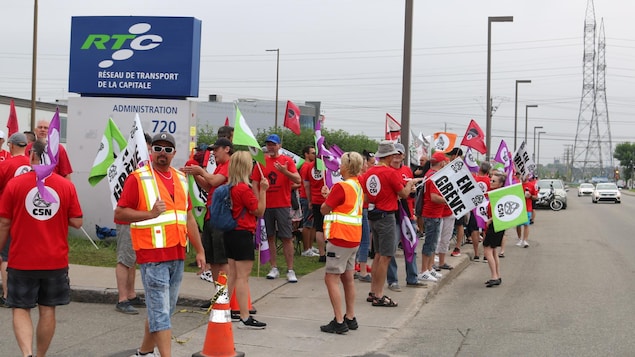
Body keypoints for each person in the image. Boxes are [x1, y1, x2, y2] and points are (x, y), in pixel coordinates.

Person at [114, 132, 205, 357]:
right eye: (157, 148)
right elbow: (120, 213)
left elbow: (189, 217)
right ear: (151, 151)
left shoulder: (181, 178)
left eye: (167, 149)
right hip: (151, 255)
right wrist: (150, 213)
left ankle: (144, 352)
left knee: (164, 310)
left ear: (174, 153)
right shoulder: (138, 178)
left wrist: (200, 250)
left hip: (177, 253)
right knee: (161, 312)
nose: (162, 153)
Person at [0, 139, 83, 357]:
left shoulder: (15, 185)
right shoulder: (66, 186)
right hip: (54, 259)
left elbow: (4, 223)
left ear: (32, 156)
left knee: (20, 308)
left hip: (21, 258)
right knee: (48, 309)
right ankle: (40, 356)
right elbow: (77, 222)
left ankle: (26, 354)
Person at [361, 141, 420, 307]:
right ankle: (379, 294)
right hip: (386, 216)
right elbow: (403, 193)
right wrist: (409, 184)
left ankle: (373, 291)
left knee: (378, 255)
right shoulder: (390, 173)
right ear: (389, 155)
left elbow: (366, 196)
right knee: (385, 256)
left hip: (373, 214)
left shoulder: (369, 172)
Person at [319, 152, 364, 334]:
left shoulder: (341, 186)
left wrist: (327, 197)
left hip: (340, 238)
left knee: (331, 278)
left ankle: (339, 321)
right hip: (354, 237)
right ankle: (350, 317)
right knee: (348, 278)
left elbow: (324, 209)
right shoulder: (357, 186)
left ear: (345, 166)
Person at [224, 151, 269, 329]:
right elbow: (259, 210)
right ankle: (244, 315)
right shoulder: (244, 189)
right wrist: (263, 191)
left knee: (232, 275)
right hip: (243, 233)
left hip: (230, 232)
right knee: (243, 277)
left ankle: (224, 308)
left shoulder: (229, 187)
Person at [250, 134, 302, 282]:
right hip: (266, 205)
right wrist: (257, 199)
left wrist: (285, 171)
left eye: (273, 144)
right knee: (270, 237)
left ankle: (290, 269)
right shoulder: (260, 163)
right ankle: (274, 267)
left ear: (279, 145)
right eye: (268, 144)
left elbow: (297, 179)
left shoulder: (287, 161)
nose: (270, 147)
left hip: (283, 204)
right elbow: (254, 182)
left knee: (286, 237)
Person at [182, 137, 233, 285]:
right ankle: (219, 296)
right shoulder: (220, 166)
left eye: (216, 150)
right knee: (213, 260)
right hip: (211, 214)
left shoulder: (230, 164)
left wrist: (200, 171)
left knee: (221, 260)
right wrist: (195, 173)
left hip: (221, 216)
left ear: (227, 149)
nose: (214, 153)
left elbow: (214, 181)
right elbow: (209, 187)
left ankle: (225, 298)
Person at [113, 133, 152, 315]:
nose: (150, 152)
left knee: (132, 259)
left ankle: (131, 293)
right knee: (124, 259)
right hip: (127, 220)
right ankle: (122, 298)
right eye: (149, 148)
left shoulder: (143, 168)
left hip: (139, 219)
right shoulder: (131, 170)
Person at [386, 143, 425, 291]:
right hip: (393, 214)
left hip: (407, 214)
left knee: (411, 246)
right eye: (394, 153)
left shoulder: (407, 170)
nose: (397, 156)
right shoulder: (387, 170)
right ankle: (393, 280)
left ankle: (412, 278)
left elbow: (409, 193)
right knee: (392, 248)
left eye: (399, 153)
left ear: (403, 156)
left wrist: (412, 190)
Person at [0, 133, 32, 308]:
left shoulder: (5, 165)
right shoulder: (34, 165)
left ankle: (7, 295)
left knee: (6, 255)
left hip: (8, 215)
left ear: (11, 146)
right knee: (26, 253)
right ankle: (28, 292)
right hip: (31, 215)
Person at [418, 152, 451, 283]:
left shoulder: (430, 175)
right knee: (430, 243)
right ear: (442, 163)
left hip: (434, 213)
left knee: (432, 243)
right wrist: (448, 200)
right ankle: (424, 270)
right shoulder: (434, 177)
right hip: (432, 214)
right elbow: (434, 197)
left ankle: (429, 268)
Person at [304, 148, 328, 262]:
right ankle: (329, 251)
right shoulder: (328, 166)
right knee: (328, 227)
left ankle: (322, 254)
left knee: (319, 228)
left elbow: (307, 186)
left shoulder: (309, 167)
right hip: (327, 200)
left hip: (315, 200)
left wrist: (309, 200)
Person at [355, 150, 375, 283]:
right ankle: (362, 270)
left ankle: (355, 267)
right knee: (365, 241)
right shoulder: (362, 178)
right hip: (363, 210)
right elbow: (366, 197)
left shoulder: (354, 178)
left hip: (356, 211)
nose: (367, 165)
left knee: (357, 241)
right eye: (365, 163)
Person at [483, 173, 506, 287]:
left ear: (500, 183)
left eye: (494, 181)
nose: (491, 183)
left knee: (487, 250)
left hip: (496, 225)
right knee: (493, 251)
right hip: (497, 224)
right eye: (491, 180)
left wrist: (491, 220)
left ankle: (494, 276)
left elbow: (501, 211)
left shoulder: (499, 194)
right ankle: (497, 275)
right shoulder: (494, 193)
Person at [466, 161, 491, 261]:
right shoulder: (490, 180)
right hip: (486, 206)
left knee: (474, 230)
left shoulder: (473, 179)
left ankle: (476, 253)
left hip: (475, 207)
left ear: (480, 169)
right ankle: (485, 254)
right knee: (485, 230)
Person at [298, 145, 318, 257]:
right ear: (306, 154)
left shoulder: (310, 165)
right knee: (307, 223)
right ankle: (306, 249)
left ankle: (310, 247)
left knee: (312, 224)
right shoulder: (306, 166)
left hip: (310, 197)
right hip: (306, 197)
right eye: (312, 153)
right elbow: (306, 184)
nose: (314, 155)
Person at [516, 174, 538, 248]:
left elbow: (536, 197)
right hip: (517, 208)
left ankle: (525, 240)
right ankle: (519, 239)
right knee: (518, 225)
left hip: (527, 208)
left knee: (526, 224)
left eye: (525, 175)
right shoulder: (516, 185)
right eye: (522, 175)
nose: (523, 177)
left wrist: (530, 196)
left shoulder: (531, 185)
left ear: (528, 176)